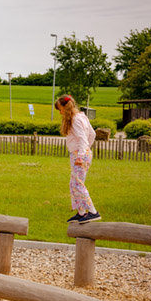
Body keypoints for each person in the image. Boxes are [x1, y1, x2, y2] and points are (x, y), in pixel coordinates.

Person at [55, 94, 101, 223]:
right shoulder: (82, 116)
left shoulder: (75, 119)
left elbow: (82, 138)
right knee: (74, 184)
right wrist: (86, 149)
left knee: (78, 184)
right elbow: (92, 134)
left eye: (60, 109)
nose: (60, 112)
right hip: (82, 153)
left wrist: (81, 154)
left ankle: (92, 211)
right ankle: (81, 213)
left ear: (65, 107)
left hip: (79, 155)